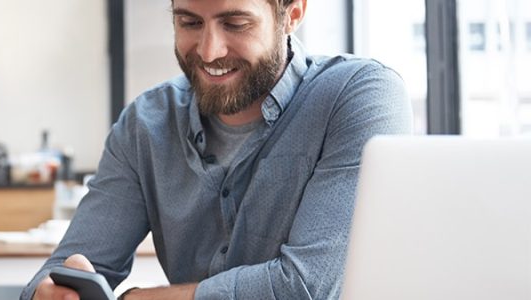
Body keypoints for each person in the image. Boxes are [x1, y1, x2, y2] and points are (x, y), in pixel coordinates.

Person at [23, 0, 412, 299]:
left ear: (292, 13)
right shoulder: (145, 123)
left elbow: (309, 287)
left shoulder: (360, 96)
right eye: (189, 22)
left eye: (235, 23)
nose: (209, 52)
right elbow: (63, 269)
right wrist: (51, 289)